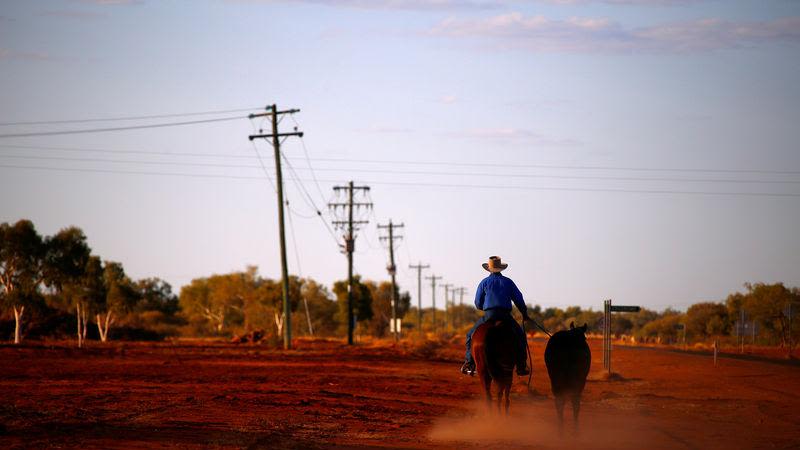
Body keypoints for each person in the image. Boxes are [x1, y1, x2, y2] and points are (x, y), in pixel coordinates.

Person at [461, 256, 531, 376]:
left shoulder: (484, 282)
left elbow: (478, 303)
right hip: (505, 315)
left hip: (489, 315)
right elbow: (518, 298)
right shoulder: (508, 282)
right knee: (520, 335)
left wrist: (486, 307)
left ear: (489, 269)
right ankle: (521, 365)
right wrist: (524, 313)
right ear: (501, 268)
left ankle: (469, 362)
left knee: (470, 335)